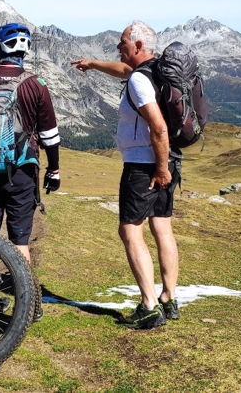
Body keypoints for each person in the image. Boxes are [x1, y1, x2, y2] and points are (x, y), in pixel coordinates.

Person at [71, 21, 180, 330]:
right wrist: (92, 64)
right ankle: (168, 300)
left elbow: (158, 128)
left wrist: (158, 170)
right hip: (170, 161)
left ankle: (148, 307)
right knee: (162, 228)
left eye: (122, 44)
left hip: (144, 165)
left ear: (139, 46)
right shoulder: (156, 70)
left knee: (130, 232)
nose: (118, 48)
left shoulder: (139, 82)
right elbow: (122, 70)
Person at [0, 23, 61, 319]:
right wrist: (54, 170)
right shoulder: (36, 85)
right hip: (21, 172)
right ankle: (28, 304)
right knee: (20, 240)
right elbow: (50, 136)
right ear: (24, 51)